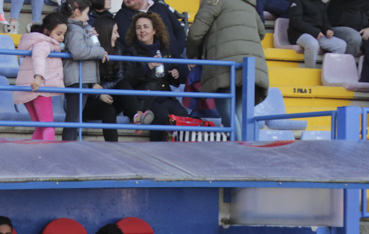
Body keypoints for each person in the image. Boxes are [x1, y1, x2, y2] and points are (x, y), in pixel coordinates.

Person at [187, 0, 270, 128]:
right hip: (250, 66)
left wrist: (191, 54)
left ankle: (240, 147)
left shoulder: (214, 1)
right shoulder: (248, 4)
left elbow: (195, 33)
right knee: (239, 111)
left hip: (224, 64)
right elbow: (261, 32)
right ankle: (246, 145)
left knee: (225, 109)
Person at [123, 11, 189, 140]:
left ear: (154, 30)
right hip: (145, 98)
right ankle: (156, 149)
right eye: (138, 27)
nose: (142, 30)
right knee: (161, 115)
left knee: (182, 114)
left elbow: (169, 75)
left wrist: (174, 75)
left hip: (164, 95)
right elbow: (128, 79)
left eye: (146, 27)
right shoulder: (130, 52)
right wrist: (148, 67)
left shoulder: (165, 50)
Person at [14, 12, 68, 141]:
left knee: (40, 125)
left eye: (63, 34)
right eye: (58, 34)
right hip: (38, 87)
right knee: (48, 126)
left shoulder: (37, 41)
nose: (61, 38)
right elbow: (39, 58)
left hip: (28, 87)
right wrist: (38, 77)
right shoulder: (43, 43)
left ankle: (37, 154)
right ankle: (47, 155)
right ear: (47, 31)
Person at [62, 0, 109, 141]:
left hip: (81, 77)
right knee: (73, 119)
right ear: (77, 12)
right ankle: (68, 148)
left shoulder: (78, 29)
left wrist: (89, 36)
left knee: (75, 119)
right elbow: (78, 51)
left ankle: (70, 145)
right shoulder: (74, 29)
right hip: (77, 78)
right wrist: (100, 52)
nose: (88, 18)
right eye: (87, 13)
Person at [86, 14, 139, 142]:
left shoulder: (118, 50)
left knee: (124, 84)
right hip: (88, 100)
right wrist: (97, 93)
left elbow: (119, 78)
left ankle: (137, 116)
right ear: (106, 32)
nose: (118, 36)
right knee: (108, 110)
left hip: (107, 95)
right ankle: (113, 147)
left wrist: (102, 90)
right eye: (115, 32)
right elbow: (81, 81)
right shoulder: (89, 50)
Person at [288, 0, 350, 70]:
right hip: (299, 34)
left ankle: (329, 73)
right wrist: (315, 32)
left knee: (341, 45)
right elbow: (295, 21)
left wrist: (328, 29)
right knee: (313, 44)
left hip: (317, 34)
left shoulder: (320, 3)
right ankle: (310, 72)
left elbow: (325, 20)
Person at [115, 0, 188, 58]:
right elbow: (126, 42)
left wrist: (177, 49)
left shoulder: (161, 7)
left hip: (173, 61)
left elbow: (179, 30)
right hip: (145, 67)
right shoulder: (121, 16)